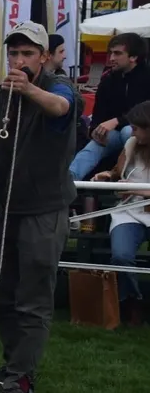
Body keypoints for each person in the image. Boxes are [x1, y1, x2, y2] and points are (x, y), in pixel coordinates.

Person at [0, 21, 77, 393]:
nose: (18, 61)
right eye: (13, 54)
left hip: (44, 209)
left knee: (33, 298)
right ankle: (12, 368)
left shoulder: (57, 87)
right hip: (7, 204)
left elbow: (62, 107)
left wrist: (29, 89)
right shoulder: (3, 94)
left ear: (45, 57)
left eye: (27, 54)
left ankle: (22, 383)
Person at [92, 100, 150, 325]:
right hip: (129, 212)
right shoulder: (131, 144)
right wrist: (106, 176)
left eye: (136, 128)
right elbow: (118, 172)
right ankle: (132, 301)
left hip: (139, 204)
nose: (132, 132)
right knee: (121, 256)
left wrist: (135, 190)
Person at [69, 33, 150, 180]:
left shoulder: (147, 78)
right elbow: (98, 114)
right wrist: (94, 131)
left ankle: (132, 179)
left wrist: (117, 121)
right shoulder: (107, 80)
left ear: (133, 57)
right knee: (93, 146)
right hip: (113, 134)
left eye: (117, 53)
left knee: (128, 132)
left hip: (138, 131)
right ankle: (69, 181)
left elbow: (145, 115)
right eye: (110, 53)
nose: (111, 58)